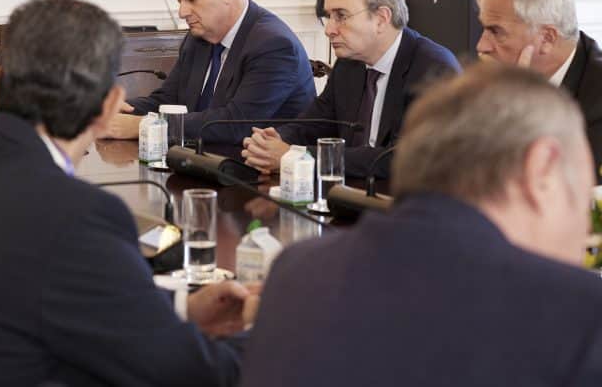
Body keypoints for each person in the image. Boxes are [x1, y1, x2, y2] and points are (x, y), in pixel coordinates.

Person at [0, 0, 257, 386]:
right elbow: (193, 372)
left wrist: (180, 308)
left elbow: (25, 296)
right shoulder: (81, 217)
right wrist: (272, 322)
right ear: (110, 107)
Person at [241, 64, 602, 386]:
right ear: (542, 169)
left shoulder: (295, 270)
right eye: (582, 192)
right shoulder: (578, 311)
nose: (585, 225)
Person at [242, 0, 460, 178]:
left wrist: (296, 157)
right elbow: (315, 123)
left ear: (381, 19)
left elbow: (403, 159)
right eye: (329, 17)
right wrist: (273, 141)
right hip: (349, 190)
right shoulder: (349, 63)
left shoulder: (434, 69)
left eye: (341, 16)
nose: (329, 30)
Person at [103, 0, 315, 146]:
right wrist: (120, 110)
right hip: (201, 159)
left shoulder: (273, 45)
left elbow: (236, 124)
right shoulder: (200, 36)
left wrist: (144, 126)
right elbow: (168, 100)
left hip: (257, 169)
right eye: (180, 2)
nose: (182, 12)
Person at [476, 0, 602, 179]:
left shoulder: (597, 96)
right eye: (484, 29)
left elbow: (556, 185)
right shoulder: (497, 83)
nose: (482, 46)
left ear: (546, 38)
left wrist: (518, 112)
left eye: (496, 32)